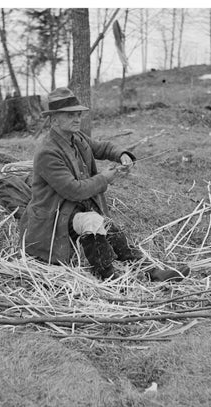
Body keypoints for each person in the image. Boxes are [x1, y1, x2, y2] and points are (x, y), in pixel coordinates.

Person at [19, 87, 189, 281]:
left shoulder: (76, 138)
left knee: (111, 229)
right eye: (70, 115)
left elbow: (102, 148)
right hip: (54, 216)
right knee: (93, 222)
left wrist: (122, 155)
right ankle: (109, 277)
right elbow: (74, 191)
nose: (77, 119)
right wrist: (104, 179)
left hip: (73, 209)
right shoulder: (47, 152)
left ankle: (152, 272)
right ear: (54, 119)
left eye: (78, 114)